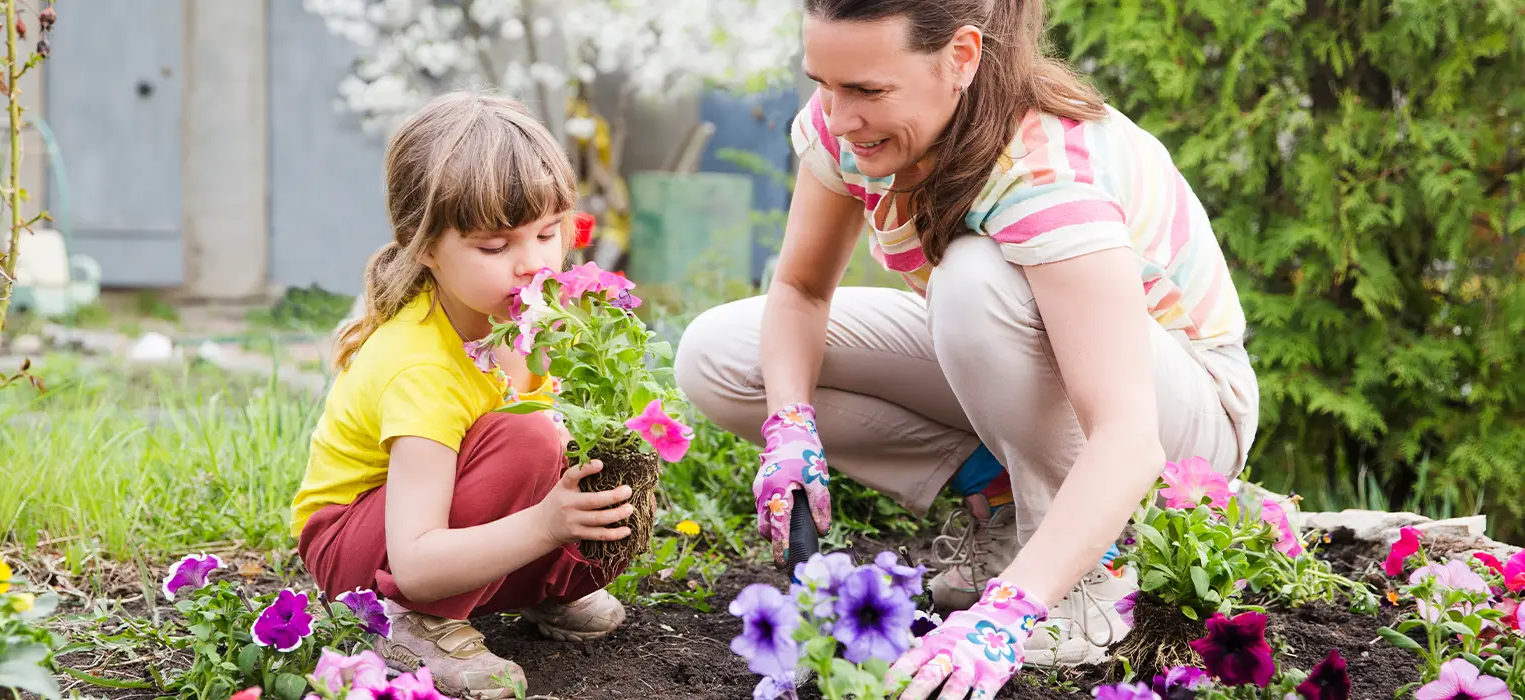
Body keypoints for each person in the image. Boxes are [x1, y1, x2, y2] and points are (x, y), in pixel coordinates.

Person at [673, 0, 1260, 697]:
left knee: (974, 281)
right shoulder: (850, 127)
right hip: (1029, 359)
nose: (836, 116)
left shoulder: (1045, 169)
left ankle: (1084, 574)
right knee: (721, 355)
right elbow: (799, 291)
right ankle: (1005, 502)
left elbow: (1128, 437)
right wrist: (790, 426)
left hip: (1183, 412)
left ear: (961, 58)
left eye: (866, 90)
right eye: (824, 83)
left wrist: (1004, 619)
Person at [289, 91, 637, 700]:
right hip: (364, 553)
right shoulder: (420, 366)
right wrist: (543, 526)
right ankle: (413, 623)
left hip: (441, 519)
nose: (533, 264)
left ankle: (514, 592)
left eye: (549, 234)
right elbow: (418, 555)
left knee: (574, 474)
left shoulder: (527, 321)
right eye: (495, 247)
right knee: (526, 438)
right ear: (425, 246)